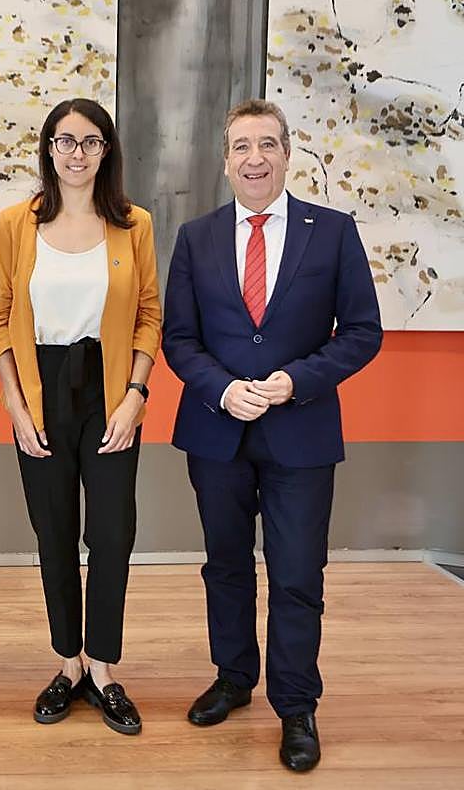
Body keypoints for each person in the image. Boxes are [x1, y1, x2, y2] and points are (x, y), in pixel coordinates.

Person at [163, 99, 382, 772]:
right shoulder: (196, 237)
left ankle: (295, 705)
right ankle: (233, 678)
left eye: (266, 144)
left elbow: (363, 333)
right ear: (225, 160)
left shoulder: (333, 231)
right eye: (241, 146)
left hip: (301, 431)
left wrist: (295, 381)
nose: (254, 158)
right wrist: (223, 389)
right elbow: (179, 338)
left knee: (296, 574)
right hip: (217, 431)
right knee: (225, 566)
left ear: (287, 154)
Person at [0, 98, 161, 734]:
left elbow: (149, 314)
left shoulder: (133, 223)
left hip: (111, 392)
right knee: (54, 532)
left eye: (90, 141)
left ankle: (104, 667)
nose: (77, 153)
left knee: (111, 534)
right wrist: (15, 405)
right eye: (65, 141)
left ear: (106, 150)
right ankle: (69, 662)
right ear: (49, 149)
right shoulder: (16, 223)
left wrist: (136, 396)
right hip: (40, 392)